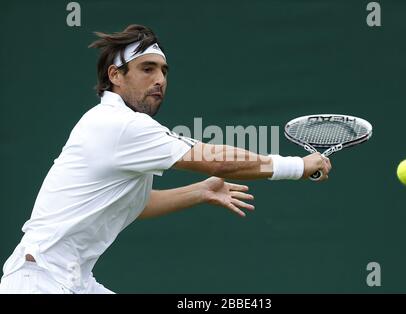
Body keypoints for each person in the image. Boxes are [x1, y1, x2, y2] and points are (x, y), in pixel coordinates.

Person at [0, 24, 331, 294]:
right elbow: (216, 160)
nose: (160, 79)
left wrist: (198, 192)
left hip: (70, 280)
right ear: (116, 76)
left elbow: (134, 204)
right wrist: (297, 166)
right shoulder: (120, 125)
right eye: (147, 69)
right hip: (38, 281)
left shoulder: (121, 129)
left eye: (163, 71)